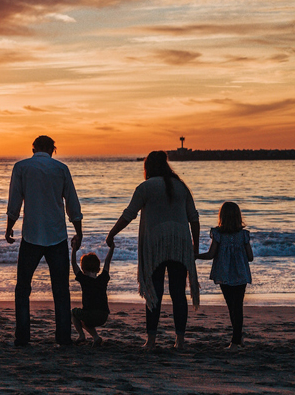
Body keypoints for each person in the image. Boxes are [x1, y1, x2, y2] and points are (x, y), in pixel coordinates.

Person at [106, 150, 200, 350]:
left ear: (148, 167)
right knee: (178, 294)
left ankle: (151, 340)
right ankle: (180, 341)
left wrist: (112, 233)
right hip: (179, 244)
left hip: (155, 245)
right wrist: (195, 246)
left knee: (153, 291)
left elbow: (128, 214)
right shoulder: (181, 187)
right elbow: (194, 218)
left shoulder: (146, 187)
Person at [6, 135, 83, 347]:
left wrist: (9, 226)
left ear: (33, 148)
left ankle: (22, 337)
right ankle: (63, 338)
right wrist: (79, 231)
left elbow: (15, 201)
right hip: (56, 235)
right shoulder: (61, 169)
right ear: (52, 149)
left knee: (23, 288)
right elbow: (72, 203)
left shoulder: (21, 167)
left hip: (31, 235)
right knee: (61, 289)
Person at [197, 202, 253, 348]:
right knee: (238, 306)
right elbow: (250, 257)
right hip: (240, 274)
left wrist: (196, 256)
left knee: (231, 306)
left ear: (221, 216)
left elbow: (210, 255)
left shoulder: (218, 234)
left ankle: (236, 340)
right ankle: (237, 338)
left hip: (224, 274)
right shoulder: (244, 235)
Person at [70, 247, 113, 347]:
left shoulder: (83, 280)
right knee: (84, 320)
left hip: (90, 315)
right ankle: (96, 338)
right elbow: (107, 262)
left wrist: (74, 249)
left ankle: (81, 335)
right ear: (98, 269)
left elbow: (73, 264)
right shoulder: (103, 279)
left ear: (83, 269)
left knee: (73, 313)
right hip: (103, 316)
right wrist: (112, 248)